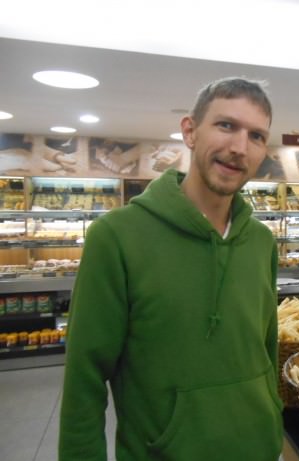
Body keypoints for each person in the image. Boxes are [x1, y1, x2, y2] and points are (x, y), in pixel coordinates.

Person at [59, 77, 283, 461]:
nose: (238, 148)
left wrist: (272, 418)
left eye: (257, 136)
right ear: (190, 131)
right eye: (226, 125)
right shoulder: (115, 237)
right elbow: (85, 379)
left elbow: (265, 350)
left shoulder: (261, 242)